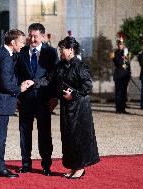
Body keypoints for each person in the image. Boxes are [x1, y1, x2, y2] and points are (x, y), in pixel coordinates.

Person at [42, 36, 100, 179]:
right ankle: (74, 167)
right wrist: (32, 83)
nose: (60, 51)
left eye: (62, 49)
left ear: (71, 50)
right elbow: (49, 80)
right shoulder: (60, 65)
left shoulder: (80, 65)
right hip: (67, 107)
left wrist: (73, 95)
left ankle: (80, 168)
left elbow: (88, 85)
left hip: (80, 107)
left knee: (79, 136)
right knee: (68, 136)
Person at [0, 29, 33, 178]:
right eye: (22, 42)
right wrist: (20, 88)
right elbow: (6, 83)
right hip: (1, 101)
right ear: (13, 42)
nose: (23, 45)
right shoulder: (5, 57)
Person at [15, 23, 58, 176]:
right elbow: (17, 75)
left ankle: (46, 165)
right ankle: (26, 164)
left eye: (35, 36)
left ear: (43, 36)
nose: (32, 39)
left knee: (44, 133)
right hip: (25, 99)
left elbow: (53, 76)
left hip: (43, 99)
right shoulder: (21, 51)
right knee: (24, 132)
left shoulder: (51, 52)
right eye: (30, 36)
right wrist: (17, 96)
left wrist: (54, 97)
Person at [112, 33, 131, 114]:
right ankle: (118, 109)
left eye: (122, 44)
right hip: (119, 76)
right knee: (118, 93)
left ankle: (123, 109)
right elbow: (119, 62)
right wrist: (124, 54)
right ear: (117, 44)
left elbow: (128, 64)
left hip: (125, 76)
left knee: (123, 93)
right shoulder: (115, 53)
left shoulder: (126, 52)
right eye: (119, 44)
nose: (121, 45)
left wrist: (129, 73)